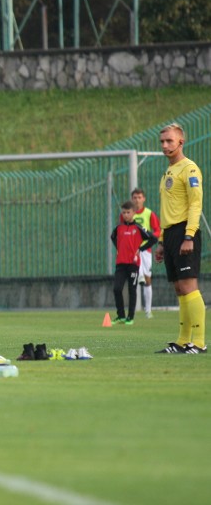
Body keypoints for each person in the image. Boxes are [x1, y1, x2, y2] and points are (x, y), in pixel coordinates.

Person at [154, 123, 206, 354]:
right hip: (172, 234)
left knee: (189, 285)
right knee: (179, 287)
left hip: (186, 231)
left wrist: (189, 236)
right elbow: (168, 209)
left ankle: (200, 342)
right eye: (162, 141)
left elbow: (195, 204)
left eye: (170, 141)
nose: (165, 145)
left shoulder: (189, 168)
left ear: (181, 142)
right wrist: (164, 242)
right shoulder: (168, 171)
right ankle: (183, 341)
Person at [111, 201, 157, 325]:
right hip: (120, 264)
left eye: (128, 212)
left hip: (133, 264)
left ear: (133, 213)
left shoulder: (138, 228)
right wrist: (119, 248)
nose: (126, 215)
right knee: (117, 289)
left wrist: (141, 248)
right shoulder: (119, 228)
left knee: (132, 289)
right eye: (124, 212)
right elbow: (112, 237)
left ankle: (130, 317)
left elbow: (153, 238)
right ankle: (120, 315)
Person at [131, 188, 161, 318]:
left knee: (148, 280)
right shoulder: (128, 213)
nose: (137, 200)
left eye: (139, 197)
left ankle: (148, 310)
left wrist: (150, 236)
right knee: (134, 274)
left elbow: (157, 231)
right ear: (132, 199)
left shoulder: (149, 214)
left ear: (144, 199)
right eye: (135, 197)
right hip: (132, 250)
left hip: (146, 250)